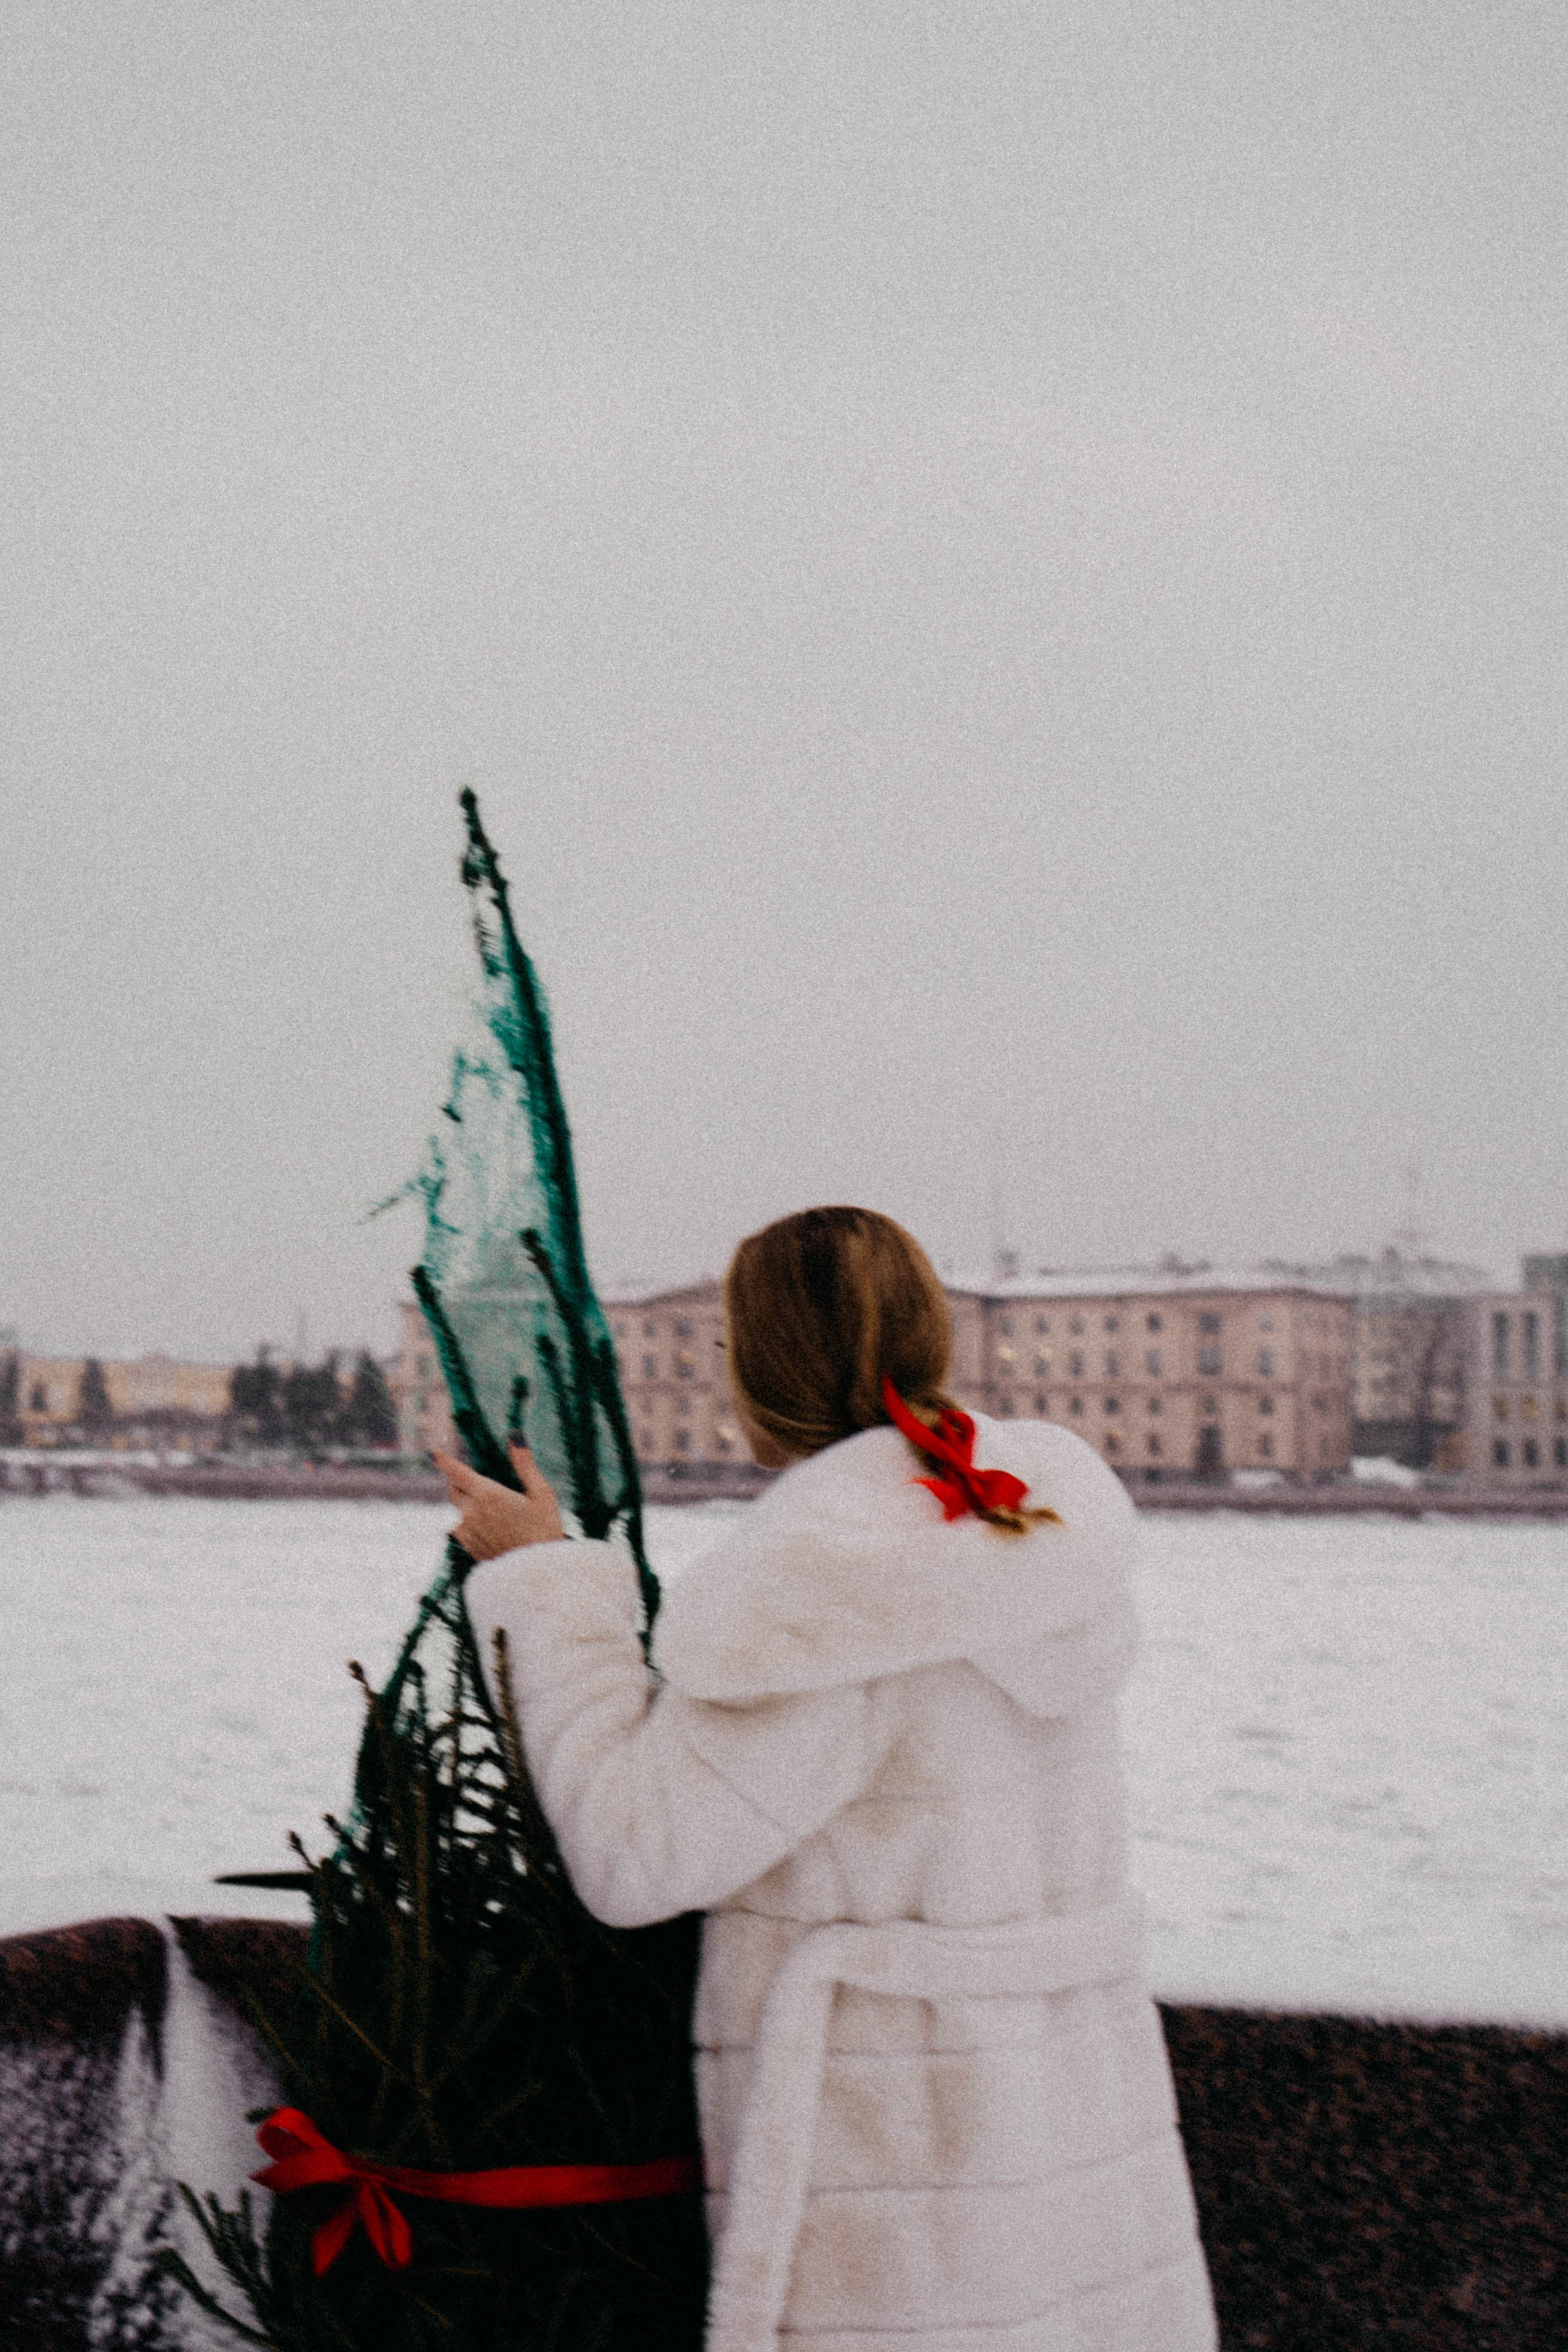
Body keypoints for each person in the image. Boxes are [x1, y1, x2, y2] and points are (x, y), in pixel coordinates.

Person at [439, 1205, 1217, 2352]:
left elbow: (634, 1853)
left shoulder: (824, 1591)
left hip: (901, 2178)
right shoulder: (1022, 1529)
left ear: (758, 1367)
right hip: (1066, 2150)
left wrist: (549, 1585)